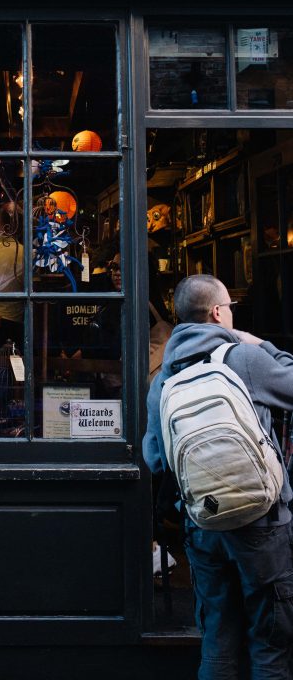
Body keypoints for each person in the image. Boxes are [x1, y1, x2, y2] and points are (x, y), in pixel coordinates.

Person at [144, 274, 293, 680]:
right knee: (270, 642)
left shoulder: (162, 381)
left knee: (217, 637)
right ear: (216, 313)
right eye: (229, 308)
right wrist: (260, 344)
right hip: (261, 523)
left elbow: (157, 459)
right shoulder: (244, 358)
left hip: (203, 523)